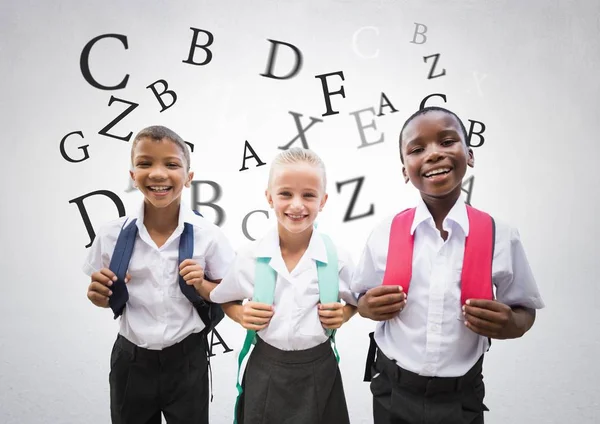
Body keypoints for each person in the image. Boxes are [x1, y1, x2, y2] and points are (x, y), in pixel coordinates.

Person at [351, 107, 545, 424]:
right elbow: (360, 300)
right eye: (417, 149)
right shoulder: (383, 234)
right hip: (392, 392)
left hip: (462, 398)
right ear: (404, 170)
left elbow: (525, 311)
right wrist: (367, 307)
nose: (434, 155)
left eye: (447, 141)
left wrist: (512, 323)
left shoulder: (501, 236)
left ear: (469, 155)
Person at [83, 125, 235, 424]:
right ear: (132, 176)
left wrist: (203, 283)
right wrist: (98, 295)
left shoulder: (210, 236)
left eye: (171, 164)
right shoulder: (111, 235)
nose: (157, 173)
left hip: (187, 360)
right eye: (144, 163)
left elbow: (227, 292)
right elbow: (99, 292)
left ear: (189, 177)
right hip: (131, 361)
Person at [210, 147, 357, 424]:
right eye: (286, 194)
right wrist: (240, 314)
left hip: (320, 371)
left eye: (309, 195)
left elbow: (358, 300)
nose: (297, 205)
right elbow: (223, 297)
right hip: (265, 371)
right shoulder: (249, 256)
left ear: (323, 200)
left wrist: (345, 314)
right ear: (269, 197)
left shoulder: (338, 258)